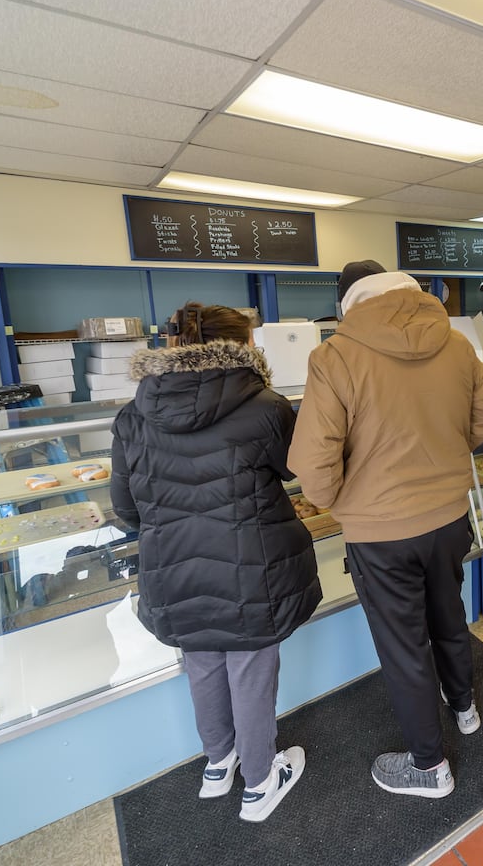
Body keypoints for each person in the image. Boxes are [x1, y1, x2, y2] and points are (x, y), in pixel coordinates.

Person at [288, 260, 483, 799]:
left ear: (347, 304)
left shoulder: (334, 356)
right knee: (449, 615)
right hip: (450, 516)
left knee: (404, 646)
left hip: (379, 534)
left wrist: (347, 504)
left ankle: (429, 768)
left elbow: (312, 466)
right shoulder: (457, 345)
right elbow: (481, 427)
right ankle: (464, 707)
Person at [110, 302, 322, 824]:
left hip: (173, 566)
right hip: (251, 563)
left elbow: (125, 509)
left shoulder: (133, 413)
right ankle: (260, 783)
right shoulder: (266, 406)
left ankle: (218, 763)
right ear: (243, 345)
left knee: (201, 663)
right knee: (249, 667)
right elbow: (293, 472)